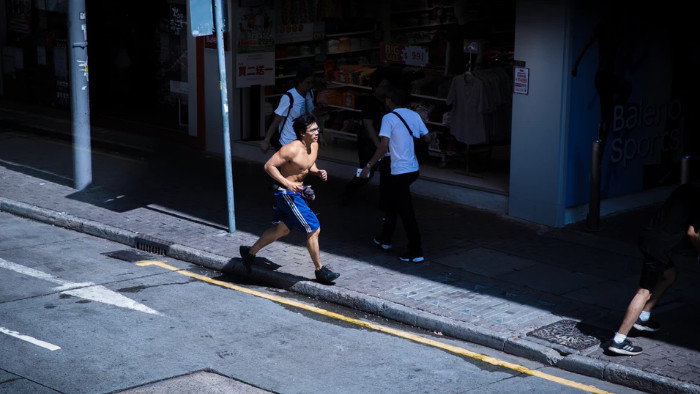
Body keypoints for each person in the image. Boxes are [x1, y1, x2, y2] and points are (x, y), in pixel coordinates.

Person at [240, 114, 340, 285]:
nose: (317, 132)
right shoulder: (291, 149)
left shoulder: (314, 145)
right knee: (313, 229)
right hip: (287, 194)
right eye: (313, 130)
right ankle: (320, 271)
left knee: (282, 230)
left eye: (317, 128)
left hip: (298, 194)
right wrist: (286, 182)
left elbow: (308, 165)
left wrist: (317, 172)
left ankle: (249, 253)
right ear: (302, 133)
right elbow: (268, 166)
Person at [607, 182, 700, 355]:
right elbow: (693, 233)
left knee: (670, 275)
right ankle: (618, 340)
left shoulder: (685, 188)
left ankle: (643, 317)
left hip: (650, 236)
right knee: (644, 292)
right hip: (659, 245)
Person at [360, 86, 431, 263]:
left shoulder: (389, 118)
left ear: (389, 100)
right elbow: (427, 138)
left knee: (406, 211)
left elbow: (384, 145)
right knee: (392, 203)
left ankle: (416, 250)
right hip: (412, 169)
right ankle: (385, 238)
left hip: (398, 170)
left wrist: (369, 165)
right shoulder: (414, 115)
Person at [341, 75, 392, 208]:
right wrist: (378, 145)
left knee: (384, 172)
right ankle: (350, 189)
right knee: (366, 170)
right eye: (383, 86)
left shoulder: (386, 102)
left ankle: (384, 200)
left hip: (380, 142)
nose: (386, 89)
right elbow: (368, 126)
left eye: (387, 86)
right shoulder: (371, 103)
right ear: (376, 88)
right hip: (368, 143)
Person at [260, 62, 316, 153]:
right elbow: (277, 120)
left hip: (303, 142)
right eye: (308, 83)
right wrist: (266, 140)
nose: (310, 86)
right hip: (287, 143)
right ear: (300, 81)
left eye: (312, 83)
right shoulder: (289, 97)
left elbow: (311, 116)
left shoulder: (310, 94)